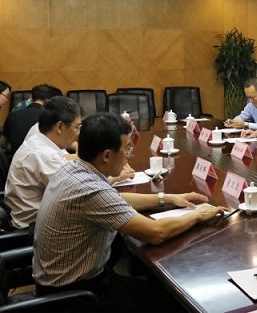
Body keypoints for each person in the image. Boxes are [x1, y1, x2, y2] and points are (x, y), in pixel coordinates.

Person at [33, 113, 226, 310]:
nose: (129, 154)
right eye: (127, 148)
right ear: (107, 155)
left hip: (68, 283)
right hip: (74, 296)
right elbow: (156, 233)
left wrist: (167, 198)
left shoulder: (75, 168)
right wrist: (197, 215)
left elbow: (115, 199)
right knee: (172, 301)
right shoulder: (88, 189)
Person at [4, 96, 134, 229]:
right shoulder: (45, 156)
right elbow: (83, 190)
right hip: (32, 227)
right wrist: (117, 176)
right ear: (60, 126)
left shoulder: (42, 138)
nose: (79, 133)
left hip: (38, 216)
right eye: (78, 127)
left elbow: (68, 159)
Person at [0, 84, 62, 155]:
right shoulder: (52, 117)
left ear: (31, 98)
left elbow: (3, 144)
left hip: (16, 159)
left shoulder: (13, 115)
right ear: (49, 101)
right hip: (45, 159)